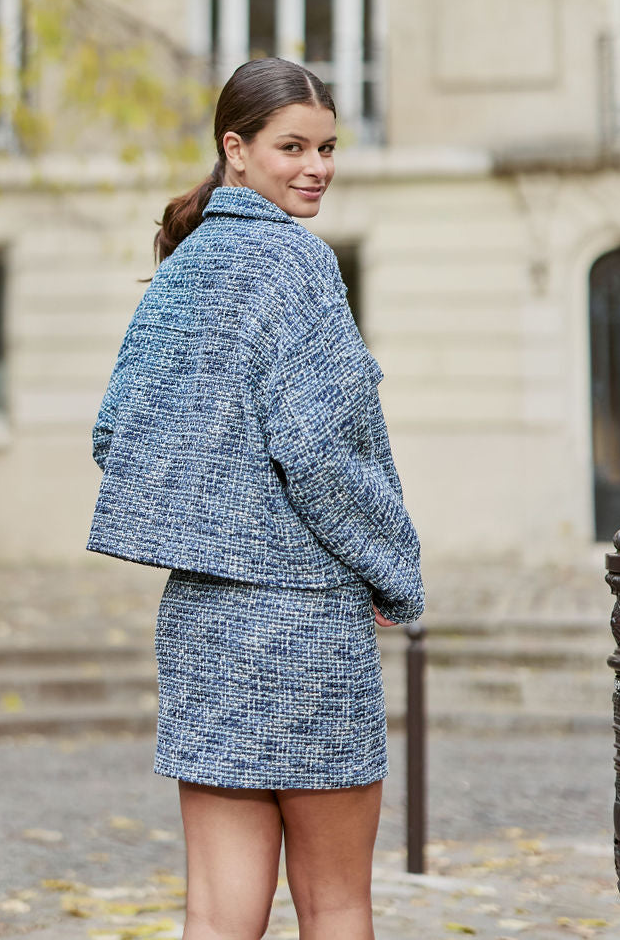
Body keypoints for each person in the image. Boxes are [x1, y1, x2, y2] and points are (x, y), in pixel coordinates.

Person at [87, 56, 423, 940]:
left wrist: (212, 508)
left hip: (203, 619)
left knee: (218, 912)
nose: (316, 166)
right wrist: (393, 572)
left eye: (328, 147)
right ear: (235, 149)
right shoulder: (296, 263)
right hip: (305, 619)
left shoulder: (184, 268)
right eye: (292, 146)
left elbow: (115, 436)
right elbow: (324, 453)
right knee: (336, 901)